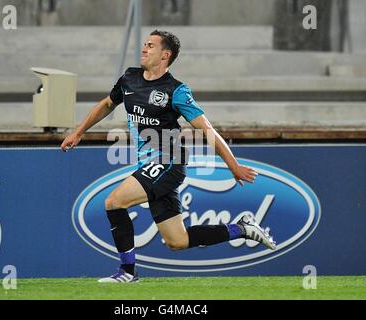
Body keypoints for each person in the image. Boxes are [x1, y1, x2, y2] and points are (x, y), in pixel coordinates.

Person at [61, 30, 276, 283]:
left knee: (113, 202)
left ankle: (128, 273)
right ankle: (241, 229)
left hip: (168, 162)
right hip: (148, 164)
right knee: (178, 241)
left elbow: (207, 129)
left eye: (150, 46)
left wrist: (233, 166)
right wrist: (79, 131)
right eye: (144, 44)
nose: (144, 49)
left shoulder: (177, 91)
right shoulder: (129, 78)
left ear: (165, 55)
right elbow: (107, 104)